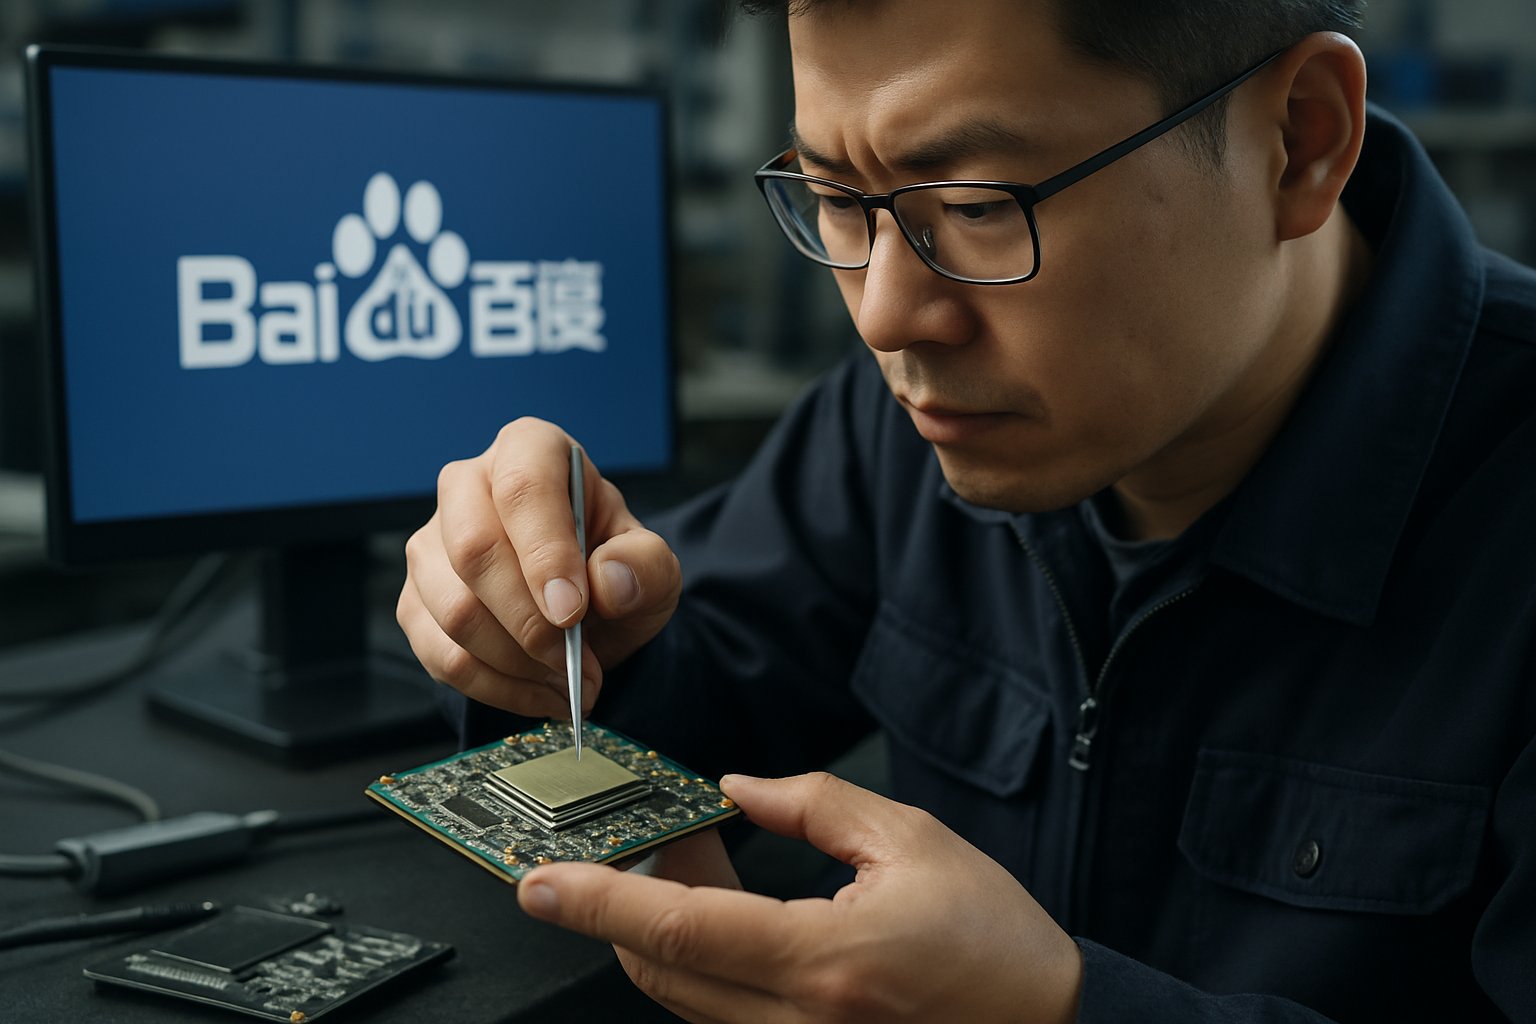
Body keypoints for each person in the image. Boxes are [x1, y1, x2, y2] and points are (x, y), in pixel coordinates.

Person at [396, 0, 1536, 1019]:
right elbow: (681, 707)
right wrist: (551, 629)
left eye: (982, 207)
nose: (889, 316)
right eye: (840, 201)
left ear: (1300, 141)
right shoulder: (897, 429)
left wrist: (1063, 1012)